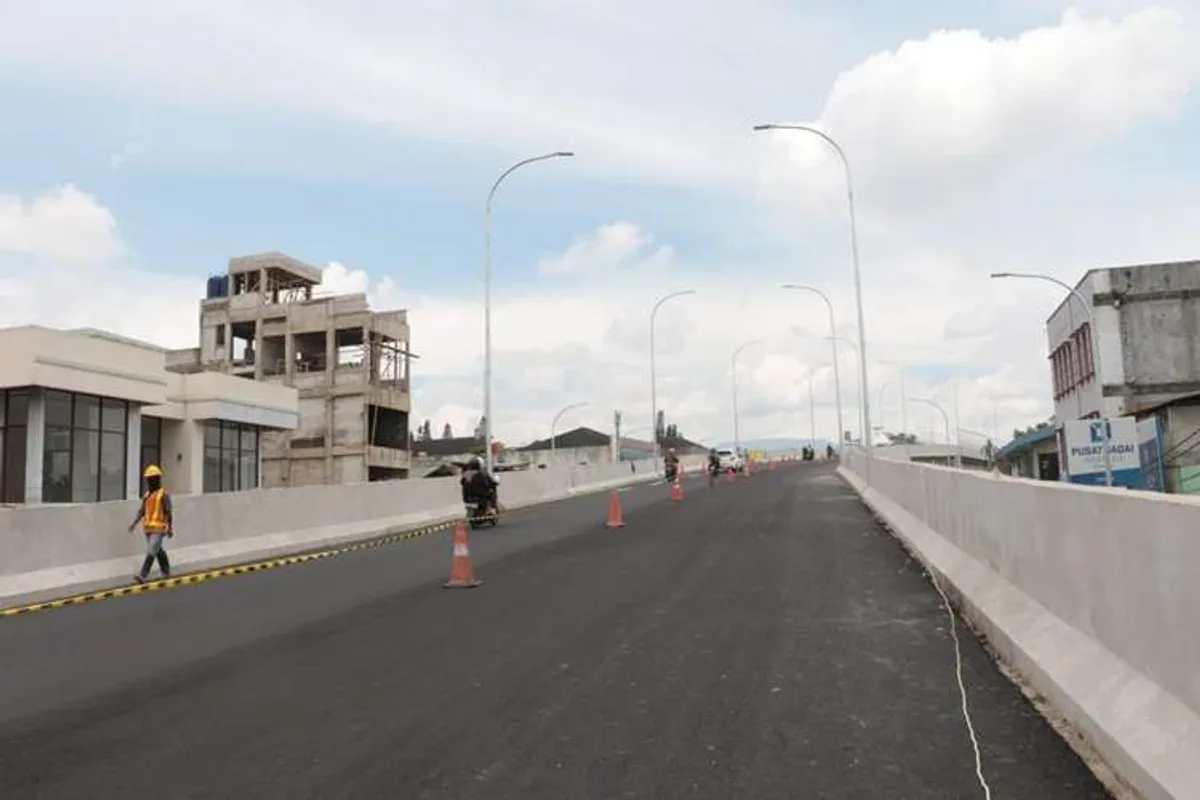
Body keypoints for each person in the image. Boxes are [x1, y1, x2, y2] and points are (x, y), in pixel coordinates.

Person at [128, 464, 173, 584]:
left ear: (158, 479)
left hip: (159, 528)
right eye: (149, 479)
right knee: (158, 550)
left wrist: (170, 528)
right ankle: (166, 571)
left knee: (151, 550)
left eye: (153, 479)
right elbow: (142, 511)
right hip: (148, 529)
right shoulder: (147, 495)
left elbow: (168, 511)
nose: (151, 482)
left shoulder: (163, 494)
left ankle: (143, 575)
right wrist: (134, 523)